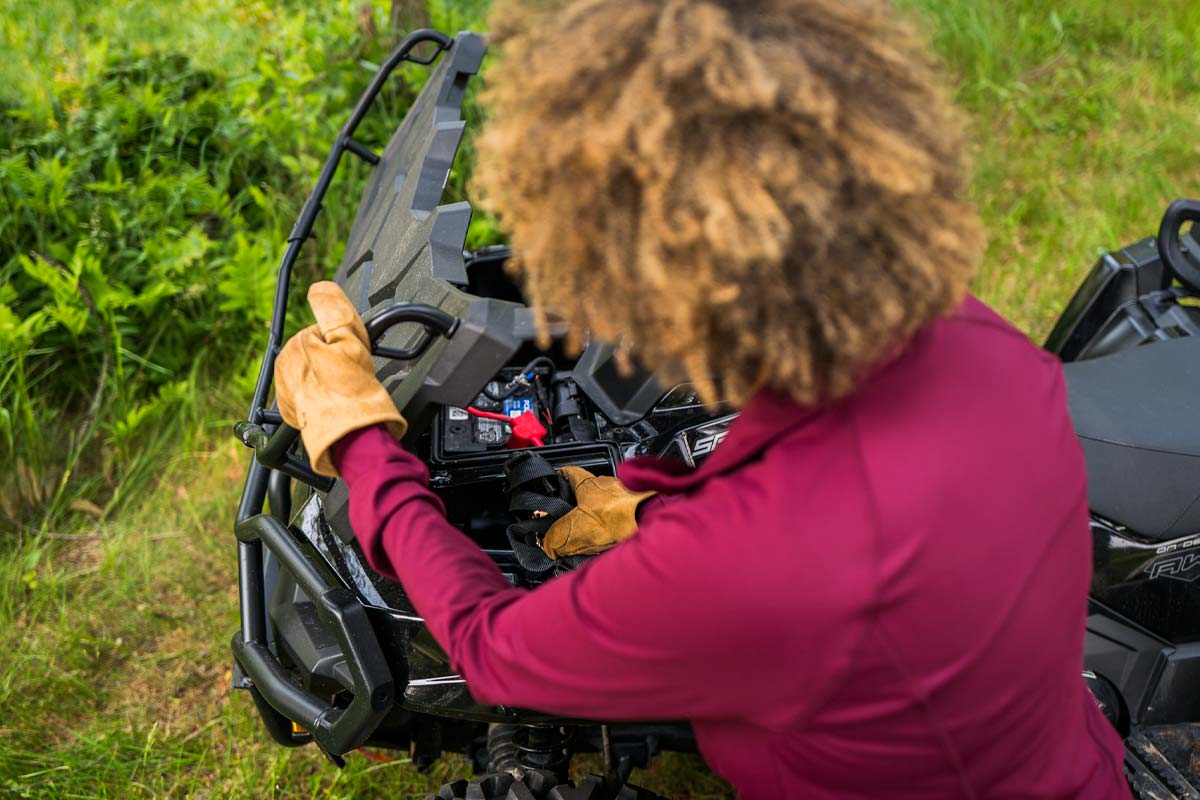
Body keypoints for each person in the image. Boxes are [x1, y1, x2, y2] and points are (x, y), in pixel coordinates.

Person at [273, 0, 1130, 796]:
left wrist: (359, 439)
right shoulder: (983, 344)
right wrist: (659, 510)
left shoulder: (750, 569)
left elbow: (491, 648)